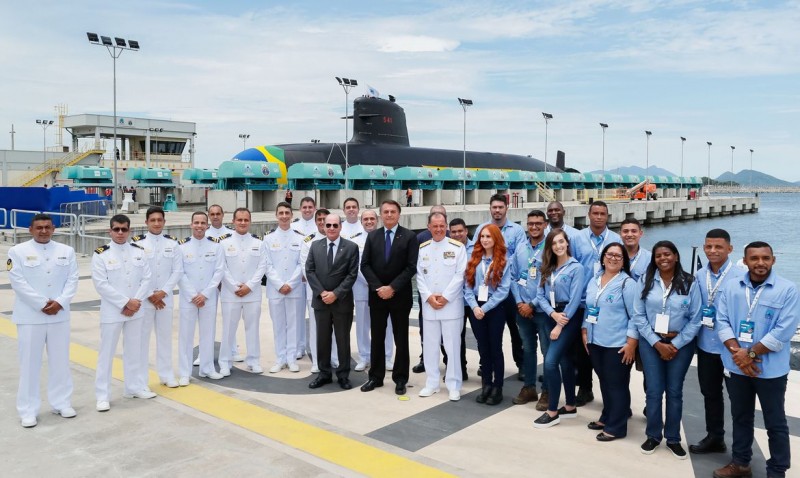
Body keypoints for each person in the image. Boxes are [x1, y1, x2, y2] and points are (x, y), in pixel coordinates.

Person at [713, 241, 799, 478]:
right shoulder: (731, 288)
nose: (760, 263)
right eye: (754, 258)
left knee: (775, 422)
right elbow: (722, 322)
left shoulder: (788, 289)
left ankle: (777, 470)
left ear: (773, 260)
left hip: (770, 371)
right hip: (737, 367)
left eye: (765, 258)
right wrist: (739, 355)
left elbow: (783, 330)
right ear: (746, 260)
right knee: (740, 417)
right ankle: (740, 463)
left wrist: (749, 354)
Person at [8, 213, 79, 428]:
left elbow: (72, 279)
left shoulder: (66, 251)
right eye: (38, 227)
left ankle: (61, 402)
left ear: (54, 228)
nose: (43, 231)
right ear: (30, 229)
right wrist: (41, 304)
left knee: (60, 362)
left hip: (59, 315)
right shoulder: (17, 251)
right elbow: (17, 281)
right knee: (30, 364)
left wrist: (60, 302)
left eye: (47, 227)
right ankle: (28, 410)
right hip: (30, 317)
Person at [633, 240, 702, 459]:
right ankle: (653, 435)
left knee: (674, 391)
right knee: (653, 391)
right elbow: (638, 315)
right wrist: (656, 342)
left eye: (667, 254)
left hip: (680, 344)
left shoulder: (690, 283)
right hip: (651, 342)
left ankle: (673, 438)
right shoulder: (645, 281)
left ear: (676, 256)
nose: (663, 259)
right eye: (658, 256)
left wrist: (676, 344)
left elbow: (696, 319)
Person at [690, 229, 744, 455]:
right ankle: (715, 437)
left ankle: (742, 451)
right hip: (706, 346)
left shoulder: (741, 275)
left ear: (730, 249)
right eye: (708, 246)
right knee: (710, 394)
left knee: (739, 400)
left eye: (718, 247)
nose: (712, 251)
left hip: (732, 348)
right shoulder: (699, 275)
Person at [92, 214, 154, 412]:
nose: (120, 233)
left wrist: (135, 302)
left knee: (134, 350)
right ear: (110, 231)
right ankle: (102, 396)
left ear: (130, 231)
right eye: (116, 229)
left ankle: (133, 387)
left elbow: (147, 279)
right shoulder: (101, 254)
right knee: (106, 353)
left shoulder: (140, 252)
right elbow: (101, 284)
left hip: (136, 310)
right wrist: (126, 302)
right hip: (113, 311)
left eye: (124, 229)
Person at [360, 200, 419, 395]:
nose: (389, 215)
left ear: (399, 214)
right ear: (381, 215)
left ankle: (400, 378)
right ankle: (375, 377)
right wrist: (379, 288)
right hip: (377, 296)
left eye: (393, 211)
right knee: (376, 337)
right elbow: (365, 265)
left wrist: (392, 287)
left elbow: (411, 267)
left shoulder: (410, 237)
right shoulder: (373, 237)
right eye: (385, 212)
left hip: (400, 296)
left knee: (400, 339)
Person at [581, 243, 638, 441]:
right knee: (605, 381)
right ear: (603, 257)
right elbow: (589, 308)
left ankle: (617, 426)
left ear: (624, 262)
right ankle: (608, 416)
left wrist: (631, 343)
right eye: (609, 254)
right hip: (596, 341)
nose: (613, 258)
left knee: (617, 384)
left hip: (617, 344)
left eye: (618, 256)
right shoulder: (594, 280)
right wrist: (584, 329)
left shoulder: (627, 284)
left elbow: (636, 316)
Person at [571, 201, 622, 406]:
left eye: (603, 214)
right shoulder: (577, 238)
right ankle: (585, 388)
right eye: (595, 213)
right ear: (589, 215)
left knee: (603, 347)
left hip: (607, 302)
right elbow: (571, 264)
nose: (599, 217)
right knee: (582, 349)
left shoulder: (615, 239)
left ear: (607, 216)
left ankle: (610, 392)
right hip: (583, 300)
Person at [533, 229, 585, 428]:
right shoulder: (548, 266)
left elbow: (575, 300)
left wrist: (560, 323)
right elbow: (539, 295)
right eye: (554, 243)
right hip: (551, 314)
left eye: (561, 242)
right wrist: (551, 314)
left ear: (567, 243)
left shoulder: (576, 267)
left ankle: (552, 411)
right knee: (564, 361)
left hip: (569, 317)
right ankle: (570, 406)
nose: (558, 246)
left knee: (551, 362)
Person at [473, 194, 526, 378]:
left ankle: (521, 364)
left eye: (500, 207)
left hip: (510, 287)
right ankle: (485, 363)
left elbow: (520, 257)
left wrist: (501, 266)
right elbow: (475, 253)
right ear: (490, 208)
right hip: (487, 288)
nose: (497, 210)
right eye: (494, 207)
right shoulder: (482, 229)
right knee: (486, 331)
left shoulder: (517, 231)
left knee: (515, 328)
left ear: (506, 208)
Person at [306, 214, 360, 390]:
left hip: (341, 302)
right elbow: (310, 271)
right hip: (321, 302)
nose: (330, 228)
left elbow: (352, 275)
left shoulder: (351, 247)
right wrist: (322, 292)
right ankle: (324, 374)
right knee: (322, 340)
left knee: (342, 340)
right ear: (323, 226)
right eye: (327, 225)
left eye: (334, 225)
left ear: (340, 227)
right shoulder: (315, 246)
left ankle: (343, 375)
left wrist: (336, 294)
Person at [417, 212, 467, 401]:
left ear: (446, 227)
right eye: (434, 226)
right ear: (429, 227)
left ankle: (454, 384)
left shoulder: (457, 247)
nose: (438, 229)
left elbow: (460, 275)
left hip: (451, 307)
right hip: (430, 307)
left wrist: (445, 297)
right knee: (429, 347)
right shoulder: (423, 248)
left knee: (453, 347)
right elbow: (420, 276)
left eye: (441, 226)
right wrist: (429, 297)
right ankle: (432, 383)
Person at [132, 207, 182, 390]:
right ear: (146, 222)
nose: (156, 223)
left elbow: (177, 271)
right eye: (152, 220)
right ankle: (141, 380)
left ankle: (167, 374)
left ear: (164, 222)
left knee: (165, 338)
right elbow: (135, 273)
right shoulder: (137, 244)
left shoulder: (173, 244)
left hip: (165, 298)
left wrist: (163, 292)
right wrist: (150, 295)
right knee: (142, 340)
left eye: (159, 220)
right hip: (144, 300)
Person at [464, 224, 511, 405]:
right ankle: (486, 385)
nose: (484, 240)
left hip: (494, 308)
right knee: (482, 348)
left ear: (496, 239)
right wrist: (475, 307)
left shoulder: (505, 261)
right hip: (476, 307)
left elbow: (503, 291)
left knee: (495, 348)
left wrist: (485, 308)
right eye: (482, 236)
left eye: (488, 237)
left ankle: (497, 387)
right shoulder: (473, 259)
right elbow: (467, 287)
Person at [177, 212, 225, 385]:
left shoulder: (216, 246)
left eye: (202, 223)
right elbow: (179, 273)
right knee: (186, 335)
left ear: (207, 225)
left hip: (209, 297)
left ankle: (207, 368)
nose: (199, 226)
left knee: (208, 333)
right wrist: (192, 295)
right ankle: (184, 372)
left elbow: (219, 271)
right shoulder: (181, 247)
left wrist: (205, 294)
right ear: (191, 225)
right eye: (196, 222)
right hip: (188, 298)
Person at [218, 208, 268, 375]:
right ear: (233, 221)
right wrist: (234, 286)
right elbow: (222, 268)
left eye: (246, 220)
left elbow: (262, 267)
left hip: (252, 294)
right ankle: (225, 362)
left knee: (252, 328)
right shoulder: (224, 243)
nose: (242, 223)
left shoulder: (258, 243)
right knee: (228, 330)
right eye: (239, 220)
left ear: (250, 221)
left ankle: (253, 360)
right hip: (230, 294)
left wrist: (250, 286)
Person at [510, 210, 549, 409]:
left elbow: (549, 281)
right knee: (528, 350)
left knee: (546, 351)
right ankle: (529, 388)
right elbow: (514, 277)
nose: (534, 227)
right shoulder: (521, 247)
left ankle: (548, 391)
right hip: (522, 310)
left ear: (545, 225)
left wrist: (532, 304)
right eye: (531, 223)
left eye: (538, 223)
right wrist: (519, 303)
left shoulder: (549, 248)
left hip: (541, 310)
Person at [263, 202, 306, 373]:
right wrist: (280, 284)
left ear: (291, 214)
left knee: (294, 324)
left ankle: (291, 358)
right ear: (276, 215)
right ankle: (280, 358)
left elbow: (301, 264)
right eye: (280, 213)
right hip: (275, 289)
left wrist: (290, 283)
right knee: (278, 324)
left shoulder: (300, 238)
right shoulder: (268, 238)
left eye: (287, 213)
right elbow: (267, 264)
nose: (284, 216)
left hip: (294, 288)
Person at [351, 209, 393, 372]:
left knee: (386, 324)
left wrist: (380, 285)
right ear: (361, 222)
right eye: (365, 219)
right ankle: (364, 356)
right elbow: (355, 265)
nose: (369, 221)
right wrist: (372, 283)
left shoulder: (386, 237)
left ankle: (387, 357)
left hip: (383, 289)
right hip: (362, 288)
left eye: (372, 219)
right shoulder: (355, 241)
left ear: (377, 220)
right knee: (362, 325)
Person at [299, 208, 338, 374]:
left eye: (325, 219)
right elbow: (306, 269)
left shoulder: (338, 239)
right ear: (315, 222)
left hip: (336, 293)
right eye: (319, 219)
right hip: (315, 293)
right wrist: (322, 290)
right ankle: (317, 360)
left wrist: (333, 290)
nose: (322, 222)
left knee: (336, 327)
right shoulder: (309, 242)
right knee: (316, 328)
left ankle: (334, 357)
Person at [412, 205, 448, 374]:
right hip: (426, 294)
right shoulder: (420, 238)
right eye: (435, 218)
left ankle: (450, 360)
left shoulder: (450, 238)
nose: (438, 228)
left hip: (447, 295)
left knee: (449, 330)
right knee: (425, 327)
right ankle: (424, 358)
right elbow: (416, 267)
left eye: (442, 219)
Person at [205, 204, 241, 364]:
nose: (215, 217)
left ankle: (233, 350)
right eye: (212, 214)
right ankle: (205, 353)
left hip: (228, 283)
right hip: (209, 283)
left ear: (223, 214)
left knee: (230, 319)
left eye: (218, 213)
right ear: (208, 215)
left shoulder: (232, 234)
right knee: (207, 319)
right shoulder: (203, 234)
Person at [447, 218, 470, 380]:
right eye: (453, 232)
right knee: (454, 338)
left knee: (481, 338)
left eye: (460, 231)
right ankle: (458, 369)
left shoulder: (477, 248)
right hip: (454, 301)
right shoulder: (446, 249)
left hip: (472, 302)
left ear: (466, 231)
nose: (457, 234)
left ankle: (485, 369)